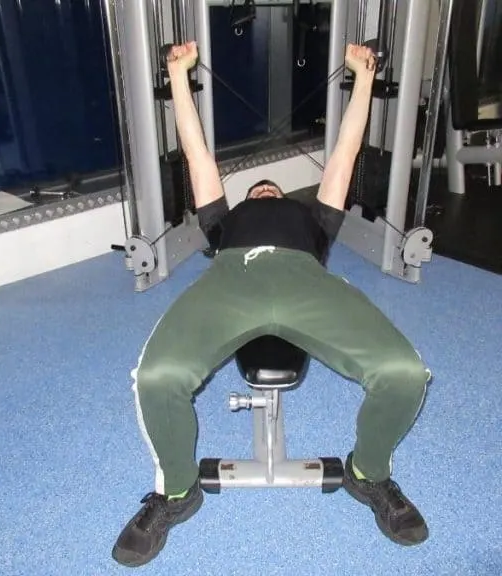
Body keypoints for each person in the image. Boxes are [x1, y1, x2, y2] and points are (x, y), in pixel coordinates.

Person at [111, 43, 432, 568]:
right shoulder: (222, 222)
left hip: (306, 279)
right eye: (256, 189)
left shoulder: (315, 221)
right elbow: (197, 154)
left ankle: (368, 474)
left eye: (271, 189)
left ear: (285, 198)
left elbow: (346, 154)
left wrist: (364, 78)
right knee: (156, 376)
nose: (263, 189)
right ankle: (176, 492)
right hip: (231, 279)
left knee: (405, 372)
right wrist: (176, 76)